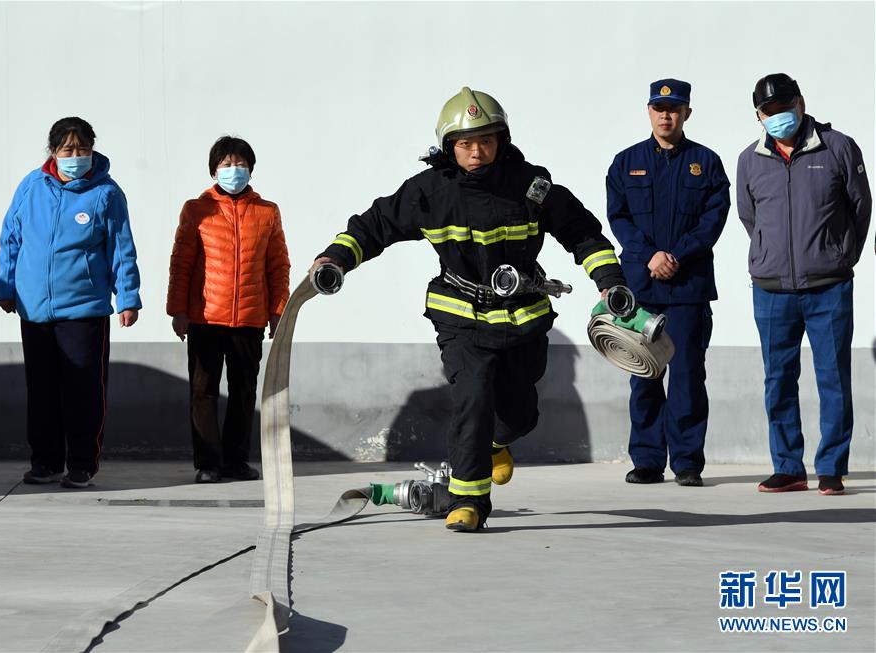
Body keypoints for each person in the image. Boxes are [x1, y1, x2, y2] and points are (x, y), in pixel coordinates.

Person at [311, 87, 626, 531]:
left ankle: (496, 443)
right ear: (448, 147)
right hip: (461, 316)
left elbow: (582, 233)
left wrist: (609, 281)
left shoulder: (531, 186)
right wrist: (335, 258)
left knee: (520, 415)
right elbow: (375, 225)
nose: (476, 152)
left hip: (523, 317)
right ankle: (469, 502)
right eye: (465, 144)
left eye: (486, 141)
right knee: (473, 398)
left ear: (502, 141)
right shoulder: (429, 191)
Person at [736, 73, 871, 495]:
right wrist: (770, 256)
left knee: (833, 378)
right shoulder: (749, 159)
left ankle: (831, 467)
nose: (778, 116)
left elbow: (861, 207)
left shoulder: (838, 148)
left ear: (800, 103)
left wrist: (839, 256)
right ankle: (788, 467)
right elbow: (749, 216)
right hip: (771, 289)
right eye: (768, 111)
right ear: (759, 116)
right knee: (778, 380)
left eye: (784, 107)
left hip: (828, 286)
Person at [0, 117, 142, 488]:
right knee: (41, 390)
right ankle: (45, 462)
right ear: (53, 152)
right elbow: (11, 237)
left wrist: (128, 297)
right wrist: (6, 286)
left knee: (83, 391)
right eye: (68, 149)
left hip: (84, 309)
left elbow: (121, 249)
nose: (76, 156)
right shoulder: (32, 185)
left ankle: (81, 463)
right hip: (34, 309)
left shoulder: (106, 193)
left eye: (83, 149)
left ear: (92, 150)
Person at [606, 79, 730, 487]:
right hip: (642, 288)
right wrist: (650, 256)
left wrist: (677, 255)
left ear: (686, 113)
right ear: (648, 111)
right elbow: (619, 218)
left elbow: (713, 219)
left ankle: (687, 462)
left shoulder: (706, 163)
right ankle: (647, 460)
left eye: (674, 109)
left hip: (688, 287)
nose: (666, 116)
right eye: (659, 109)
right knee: (643, 374)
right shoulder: (626, 163)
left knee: (688, 376)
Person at [167, 136, 290, 484]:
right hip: (205, 317)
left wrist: (278, 310)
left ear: (250, 169)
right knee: (202, 392)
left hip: (250, 319)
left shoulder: (267, 212)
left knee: (243, 392)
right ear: (213, 171)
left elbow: (278, 265)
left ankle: (236, 461)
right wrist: (178, 310)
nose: (233, 170)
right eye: (226, 164)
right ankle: (208, 463)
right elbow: (181, 263)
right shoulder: (196, 210)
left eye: (240, 164)